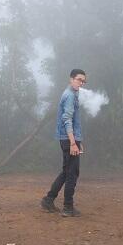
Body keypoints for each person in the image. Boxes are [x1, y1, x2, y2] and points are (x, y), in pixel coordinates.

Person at [41, 69, 86, 217]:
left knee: (67, 171)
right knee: (72, 173)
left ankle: (49, 200)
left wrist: (78, 140)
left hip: (68, 138)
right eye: (79, 79)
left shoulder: (71, 94)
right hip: (68, 139)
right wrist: (73, 143)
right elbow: (67, 120)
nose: (81, 83)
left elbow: (72, 121)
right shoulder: (70, 96)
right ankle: (68, 207)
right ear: (71, 79)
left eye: (83, 81)